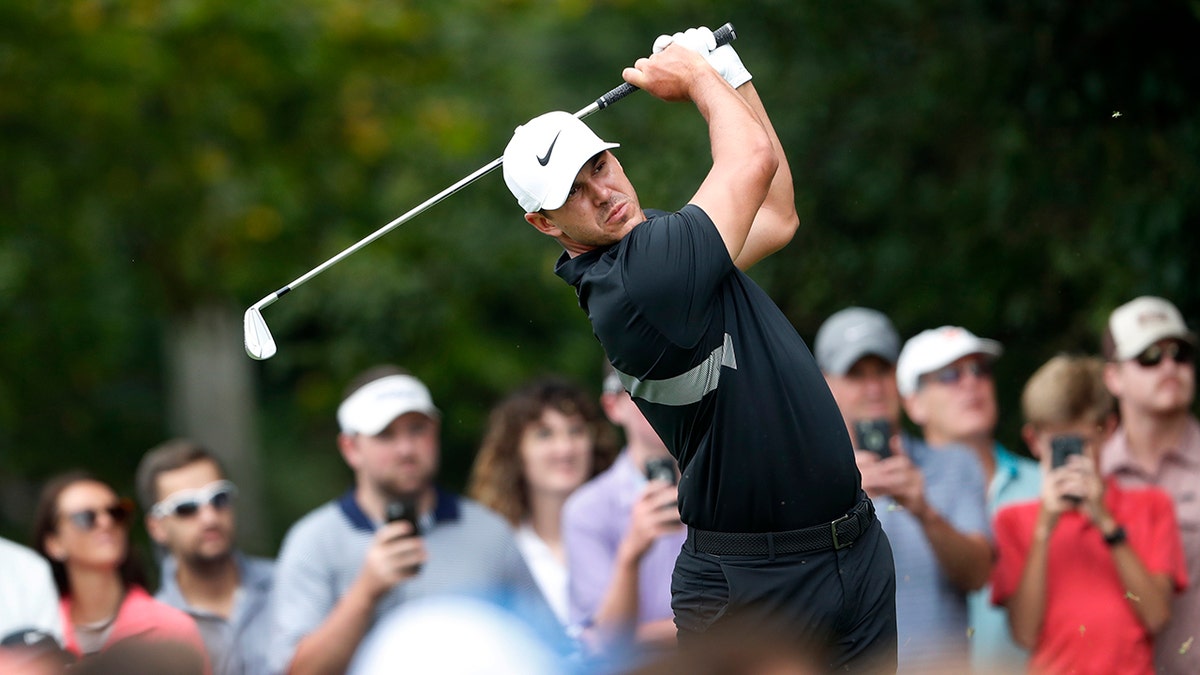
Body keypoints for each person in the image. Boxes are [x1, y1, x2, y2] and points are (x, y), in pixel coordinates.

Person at [502, 27, 896, 670]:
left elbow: (777, 213)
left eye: (599, 165)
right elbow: (750, 164)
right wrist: (695, 76)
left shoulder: (661, 246)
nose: (603, 193)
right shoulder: (639, 278)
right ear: (544, 224)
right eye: (573, 191)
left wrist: (727, 70)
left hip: (851, 550)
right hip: (755, 586)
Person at [268, 365, 559, 675]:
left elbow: (547, 647)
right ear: (351, 448)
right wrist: (365, 593)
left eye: (417, 429)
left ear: (435, 430)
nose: (406, 449)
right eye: (385, 435)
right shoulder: (314, 542)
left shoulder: (489, 532)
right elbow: (296, 671)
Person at [816, 308, 991, 672]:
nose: (874, 387)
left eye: (882, 371)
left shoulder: (953, 463)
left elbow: (979, 575)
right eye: (855, 374)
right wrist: (836, 497)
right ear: (824, 384)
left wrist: (924, 511)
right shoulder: (805, 477)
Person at [991, 354, 1187, 675]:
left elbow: (1156, 617)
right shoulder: (1011, 520)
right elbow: (1024, 635)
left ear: (1108, 430)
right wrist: (1044, 529)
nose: (1070, 459)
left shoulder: (1152, 505)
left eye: (1080, 443)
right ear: (1033, 441)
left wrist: (1105, 521)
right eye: (1058, 445)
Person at [895, 324, 1039, 671]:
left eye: (980, 370)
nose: (970, 382)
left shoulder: (1046, 484)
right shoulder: (892, 493)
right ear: (913, 404)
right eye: (949, 375)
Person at [1100, 296, 1200, 675]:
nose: (1170, 366)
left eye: (1180, 354)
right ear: (1113, 377)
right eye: (1149, 357)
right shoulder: (1091, 476)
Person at [467, 376, 619, 625]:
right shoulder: (503, 548)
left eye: (576, 431)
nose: (565, 448)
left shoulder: (630, 528)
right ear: (515, 451)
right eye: (544, 434)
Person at [561, 365, 686, 654]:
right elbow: (606, 644)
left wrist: (641, 636)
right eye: (645, 388)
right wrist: (631, 554)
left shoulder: (729, 489)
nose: (662, 400)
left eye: (676, 385)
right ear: (613, 405)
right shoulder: (586, 510)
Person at [31, 471, 208, 668]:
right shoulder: (37, 634)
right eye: (86, 517)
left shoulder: (172, 628)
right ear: (54, 543)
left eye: (116, 513)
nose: (106, 523)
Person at [136, 439, 275, 675]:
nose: (209, 517)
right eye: (186, 508)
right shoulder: (148, 632)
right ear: (156, 528)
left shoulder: (290, 586)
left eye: (219, 498)